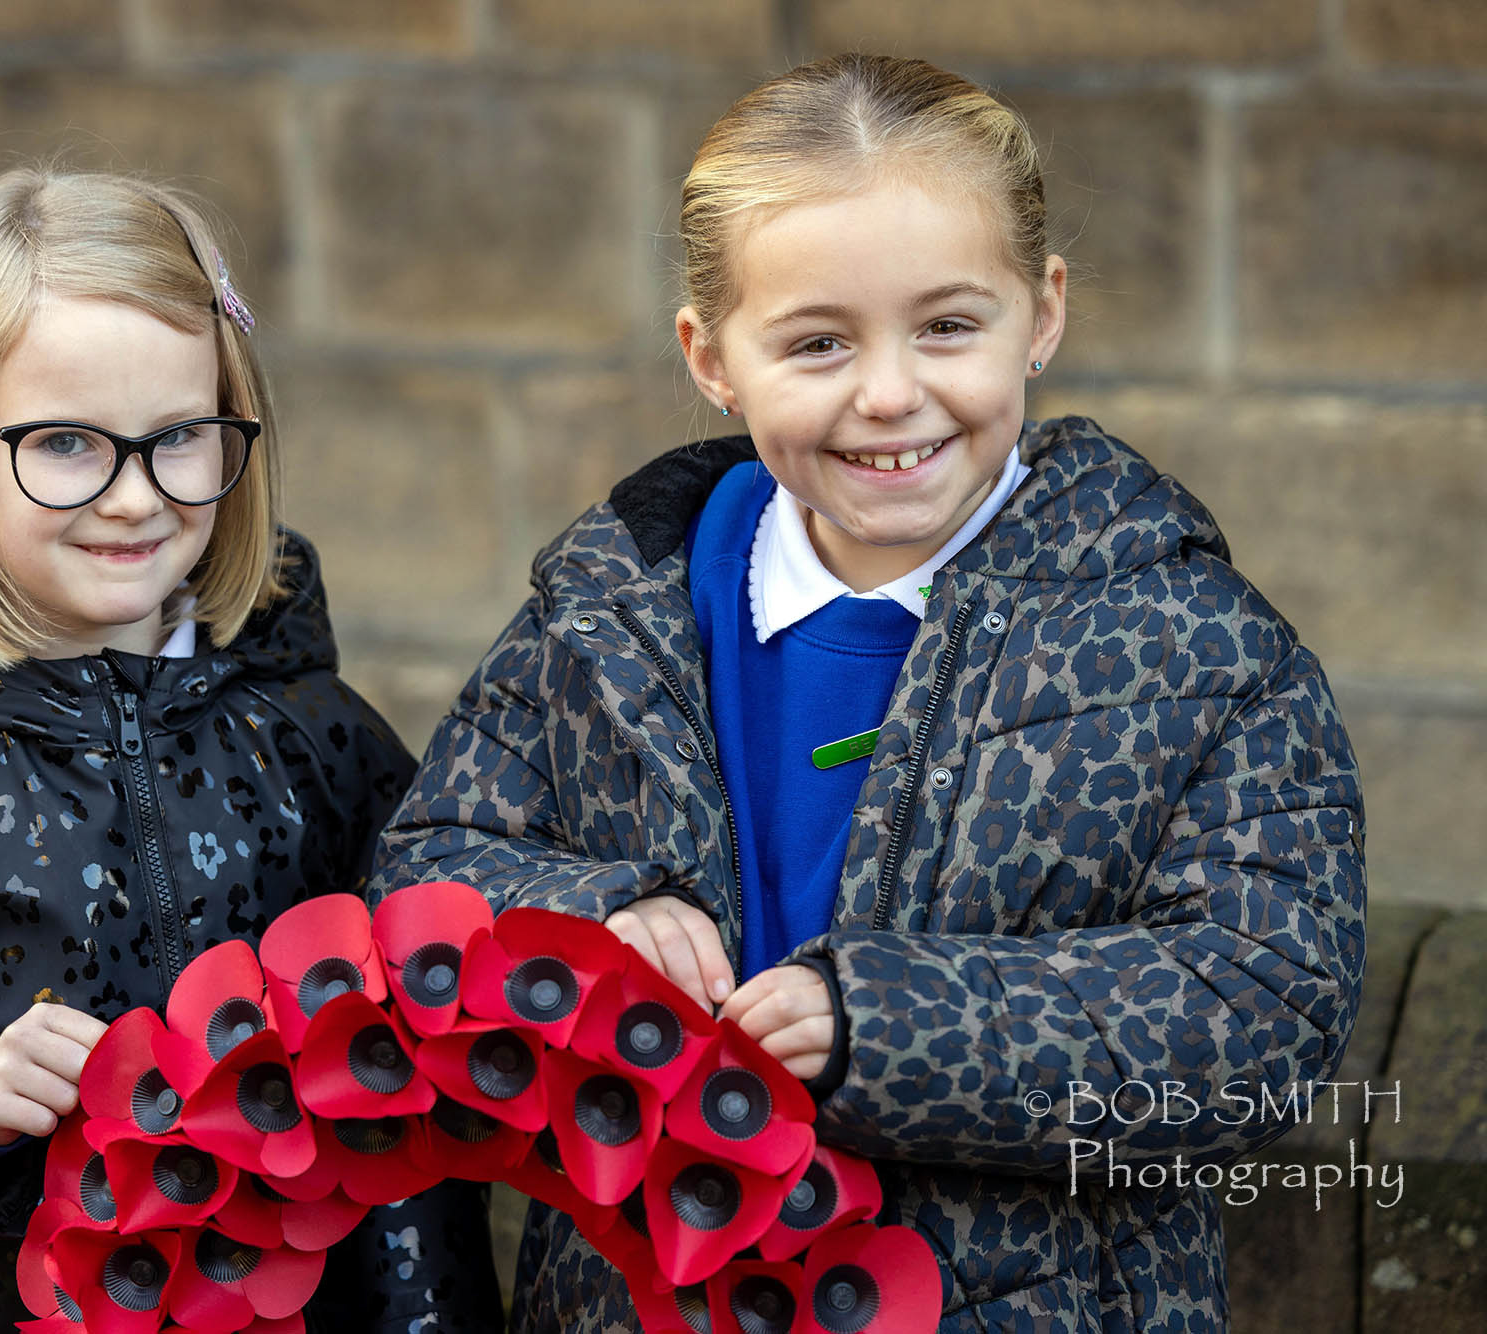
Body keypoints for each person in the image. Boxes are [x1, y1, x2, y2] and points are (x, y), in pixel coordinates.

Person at [371, 54, 1364, 1332]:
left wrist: (883, 1028)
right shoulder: (605, 612)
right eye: (817, 341)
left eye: (947, 324)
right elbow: (421, 873)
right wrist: (590, 918)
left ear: (1042, 312)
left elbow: (1258, 1008)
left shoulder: (1193, 647)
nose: (888, 392)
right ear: (710, 356)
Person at [0, 168, 502, 1334]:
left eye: (179, 436)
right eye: (65, 442)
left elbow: (405, 1110)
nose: (134, 498)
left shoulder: (318, 738)